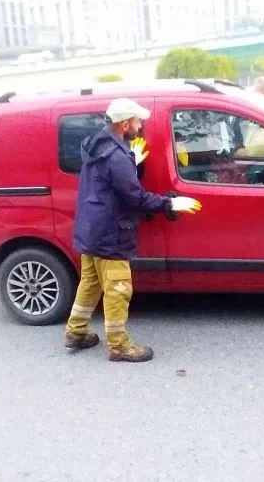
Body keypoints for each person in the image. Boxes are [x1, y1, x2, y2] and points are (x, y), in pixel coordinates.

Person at [64, 98, 200, 363]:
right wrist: (172, 202)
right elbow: (135, 198)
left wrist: (130, 160)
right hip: (110, 233)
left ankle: (76, 331)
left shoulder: (98, 145)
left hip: (91, 228)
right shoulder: (116, 156)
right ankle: (118, 346)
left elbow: (109, 179)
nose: (140, 126)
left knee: (91, 282)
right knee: (118, 288)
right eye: (138, 122)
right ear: (125, 124)